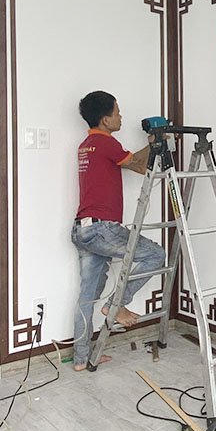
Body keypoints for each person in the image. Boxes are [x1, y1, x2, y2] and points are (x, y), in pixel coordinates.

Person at [71, 91, 165, 371]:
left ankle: (80, 359)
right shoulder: (106, 142)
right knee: (156, 255)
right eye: (117, 112)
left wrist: (151, 144)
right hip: (103, 229)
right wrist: (156, 142)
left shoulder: (86, 145)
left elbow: (129, 163)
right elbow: (139, 166)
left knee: (87, 296)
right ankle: (117, 305)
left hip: (83, 229)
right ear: (105, 119)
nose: (121, 117)